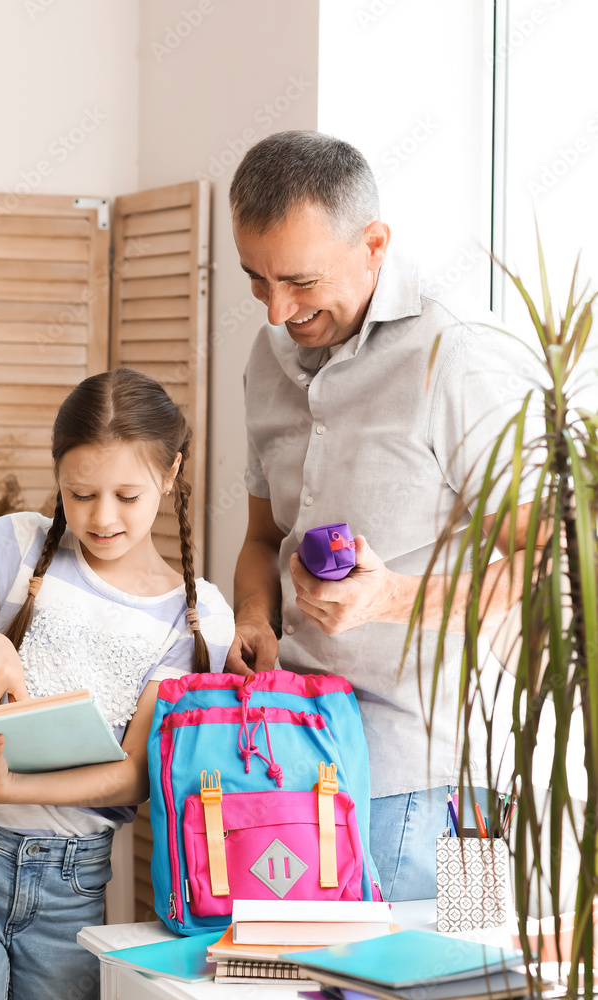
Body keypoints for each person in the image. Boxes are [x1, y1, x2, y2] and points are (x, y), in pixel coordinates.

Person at [224, 131, 542, 901]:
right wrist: (253, 618)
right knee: (315, 987)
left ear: (373, 244)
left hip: (449, 786)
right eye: (255, 279)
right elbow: (263, 536)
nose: (275, 309)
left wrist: (388, 597)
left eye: (298, 281)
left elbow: (545, 559)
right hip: (300, 763)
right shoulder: (267, 358)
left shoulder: (457, 353)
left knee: (467, 976)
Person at [0, 368, 235, 1000]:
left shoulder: (198, 617)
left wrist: (10, 785)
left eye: (127, 495)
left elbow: (135, 775)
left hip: (73, 878)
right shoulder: (17, 544)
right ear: (58, 473)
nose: (102, 517)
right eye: (80, 494)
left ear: (171, 474)